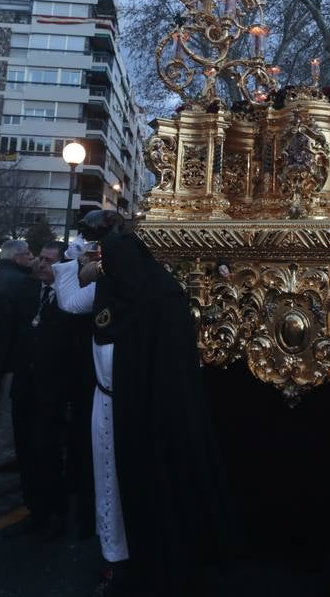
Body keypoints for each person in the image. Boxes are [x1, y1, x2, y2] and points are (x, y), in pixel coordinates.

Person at [61, 211, 234, 596]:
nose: (108, 269)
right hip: (107, 404)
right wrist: (76, 263)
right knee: (110, 485)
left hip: (145, 410)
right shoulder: (114, 289)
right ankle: (114, 554)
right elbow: (70, 301)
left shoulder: (161, 297)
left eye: (111, 261)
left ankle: (142, 554)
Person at [3, 242, 77, 538]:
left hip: (54, 391)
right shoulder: (26, 292)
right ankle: (35, 509)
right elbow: (11, 334)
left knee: (47, 452)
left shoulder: (70, 301)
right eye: (41, 259)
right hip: (24, 387)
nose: (42, 264)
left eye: (50, 260)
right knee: (26, 452)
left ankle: (57, 513)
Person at [0, 239, 35, 472]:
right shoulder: (21, 282)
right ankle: (3, 455)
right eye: (28, 254)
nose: (31, 257)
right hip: (12, 356)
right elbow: (14, 326)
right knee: (6, 408)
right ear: (17, 258)